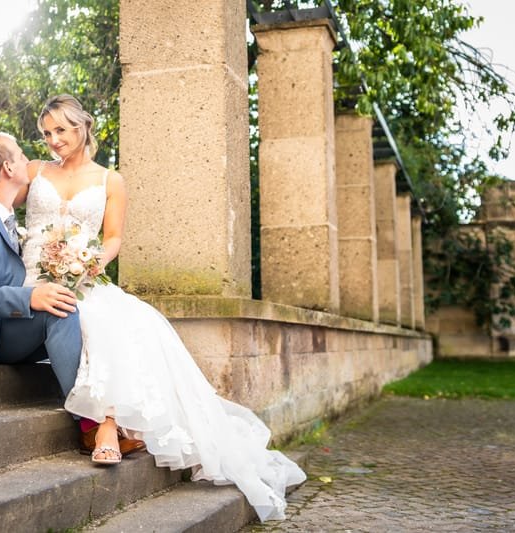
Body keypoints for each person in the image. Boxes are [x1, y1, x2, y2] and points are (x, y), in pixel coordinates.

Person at [15, 94, 307, 521]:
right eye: (46, 133)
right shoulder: (35, 171)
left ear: (82, 127)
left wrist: (92, 261)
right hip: (32, 280)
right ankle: (106, 427)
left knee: (125, 319)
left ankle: (109, 425)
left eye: (61, 130)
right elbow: (1, 197)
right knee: (93, 319)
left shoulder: (110, 180)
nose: (53, 140)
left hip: (81, 276)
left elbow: (112, 236)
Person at [0, 132, 146, 457]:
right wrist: (29, 299)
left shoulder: (5, 215)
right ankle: (91, 425)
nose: (29, 160)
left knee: (91, 314)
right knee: (57, 306)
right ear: (9, 168)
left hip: (12, 328)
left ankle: (113, 417)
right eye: (22, 156)